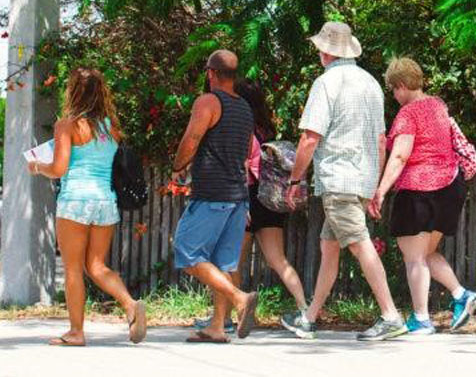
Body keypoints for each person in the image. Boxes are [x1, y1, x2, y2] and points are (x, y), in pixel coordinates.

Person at [279, 21, 406, 341]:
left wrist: (295, 181)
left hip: (338, 178)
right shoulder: (371, 84)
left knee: (359, 244)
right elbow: (380, 139)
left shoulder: (326, 83)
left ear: (326, 51)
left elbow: (310, 138)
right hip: (360, 178)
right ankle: (308, 318)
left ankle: (391, 316)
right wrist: (374, 184)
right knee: (329, 247)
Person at [28, 67, 146, 346]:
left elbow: (58, 168)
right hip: (105, 202)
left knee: (72, 268)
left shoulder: (66, 125)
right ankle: (130, 304)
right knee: (96, 265)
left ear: (73, 92)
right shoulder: (111, 128)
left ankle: (76, 332)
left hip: (75, 202)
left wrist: (37, 167)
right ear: (101, 92)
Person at [369, 57, 476, 334]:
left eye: (394, 89)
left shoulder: (408, 113)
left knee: (414, 258)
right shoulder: (438, 105)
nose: (394, 95)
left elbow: (400, 155)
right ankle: (461, 295)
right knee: (428, 252)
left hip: (419, 190)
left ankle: (421, 319)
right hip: (449, 187)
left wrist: (380, 190)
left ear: (403, 85)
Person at [171, 49, 258, 343]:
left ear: (211, 73)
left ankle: (239, 298)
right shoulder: (245, 108)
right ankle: (217, 327)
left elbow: (192, 138)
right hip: (238, 195)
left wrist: (178, 166)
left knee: (187, 251)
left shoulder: (208, 101)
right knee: (223, 263)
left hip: (212, 193)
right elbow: (247, 152)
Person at [235, 79, 307, 310]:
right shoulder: (266, 128)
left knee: (233, 264)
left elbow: (243, 168)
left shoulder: (243, 129)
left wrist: (242, 205)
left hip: (248, 198)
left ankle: (227, 317)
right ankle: (305, 309)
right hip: (269, 199)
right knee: (279, 261)